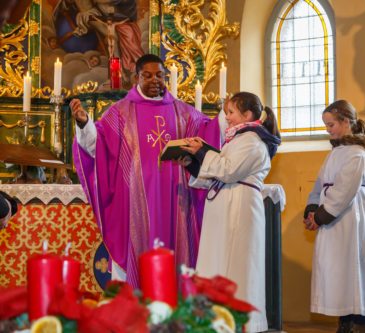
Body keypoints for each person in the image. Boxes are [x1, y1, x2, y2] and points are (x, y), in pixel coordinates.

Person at [71, 54, 224, 287]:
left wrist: (226, 116)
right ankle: (135, 312)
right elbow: (98, 146)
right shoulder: (120, 112)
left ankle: (176, 310)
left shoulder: (183, 111)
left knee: (178, 250)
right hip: (135, 203)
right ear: (136, 78)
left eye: (160, 75)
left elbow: (208, 132)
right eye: (148, 75)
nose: (155, 80)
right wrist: (84, 123)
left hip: (176, 199)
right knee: (138, 252)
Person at [180, 92, 281, 333]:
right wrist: (192, 163)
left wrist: (202, 151)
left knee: (237, 265)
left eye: (231, 113)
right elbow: (215, 177)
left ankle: (239, 322)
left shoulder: (252, 141)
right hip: (226, 204)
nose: (227, 118)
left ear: (247, 115)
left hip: (239, 207)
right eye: (226, 113)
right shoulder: (236, 140)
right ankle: (218, 320)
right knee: (219, 261)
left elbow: (228, 171)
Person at [303, 100, 365, 333]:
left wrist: (320, 217)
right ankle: (345, 318)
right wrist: (311, 209)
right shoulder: (337, 151)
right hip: (334, 216)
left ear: (346, 122)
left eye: (331, 124)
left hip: (352, 216)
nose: (327, 129)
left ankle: (358, 321)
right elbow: (320, 183)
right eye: (326, 125)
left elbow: (343, 191)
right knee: (337, 269)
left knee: (352, 268)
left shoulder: (358, 154)